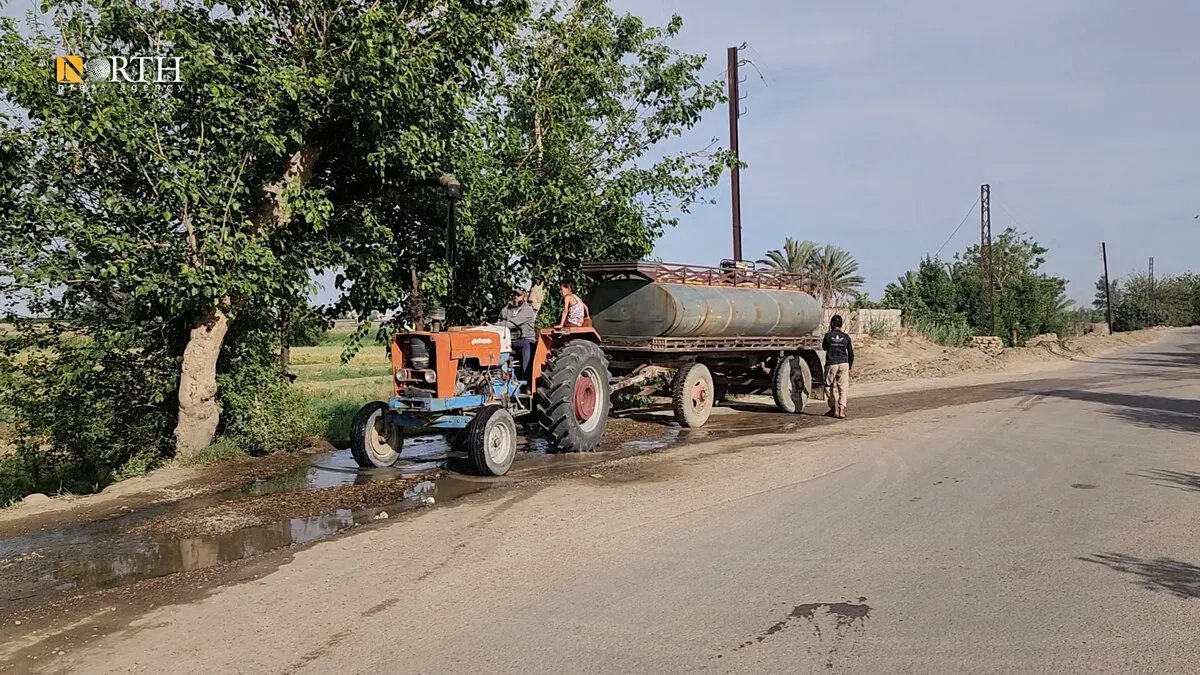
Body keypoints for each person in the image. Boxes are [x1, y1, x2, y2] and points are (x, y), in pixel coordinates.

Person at [496, 287, 537, 388]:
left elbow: (511, 323)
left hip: (525, 339)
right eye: (514, 295)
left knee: (526, 348)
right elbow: (501, 319)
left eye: (518, 295)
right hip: (511, 340)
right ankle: (500, 377)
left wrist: (496, 325)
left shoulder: (527, 310)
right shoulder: (507, 309)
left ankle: (526, 382)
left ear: (524, 297)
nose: (515, 297)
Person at [822, 314, 854, 419]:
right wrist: (849, 365)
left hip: (831, 363)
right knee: (843, 387)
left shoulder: (828, 336)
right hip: (844, 363)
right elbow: (851, 353)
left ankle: (832, 409)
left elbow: (824, 347)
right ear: (841, 325)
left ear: (831, 324)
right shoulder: (846, 337)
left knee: (828, 386)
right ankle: (841, 410)